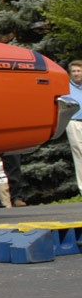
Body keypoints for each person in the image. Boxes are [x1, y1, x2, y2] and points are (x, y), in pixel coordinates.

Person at [67, 60, 82, 197]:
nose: (76, 74)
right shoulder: (67, 88)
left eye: (79, 71)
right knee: (79, 154)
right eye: (74, 71)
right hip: (74, 122)